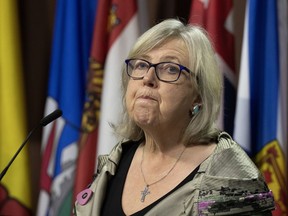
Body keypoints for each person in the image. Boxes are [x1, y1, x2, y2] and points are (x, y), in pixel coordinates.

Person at [74, 19, 275, 215]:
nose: (147, 78)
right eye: (141, 65)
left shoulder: (230, 178)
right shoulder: (115, 161)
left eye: (170, 69)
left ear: (198, 96)